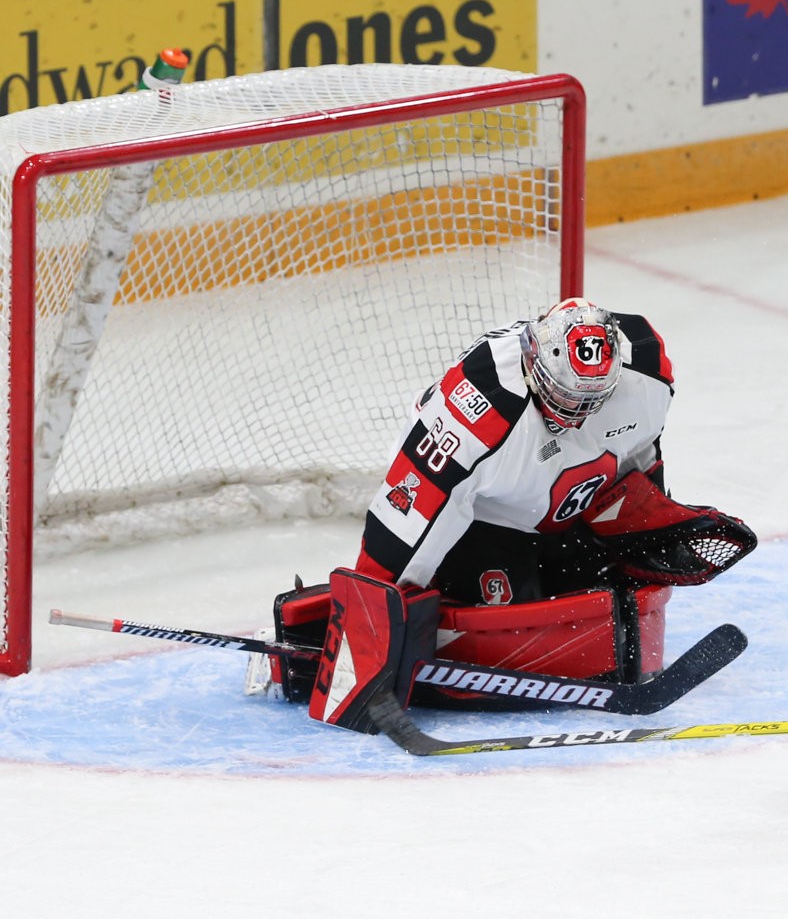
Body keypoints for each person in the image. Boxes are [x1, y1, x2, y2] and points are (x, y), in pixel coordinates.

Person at [252, 298, 755, 729]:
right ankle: (308, 637)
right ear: (533, 358)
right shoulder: (479, 406)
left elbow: (642, 448)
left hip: (563, 499)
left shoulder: (645, 366)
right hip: (476, 515)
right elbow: (406, 519)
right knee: (509, 612)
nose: (574, 413)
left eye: (590, 400)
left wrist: (642, 524)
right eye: (563, 396)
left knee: (599, 587)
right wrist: (365, 626)